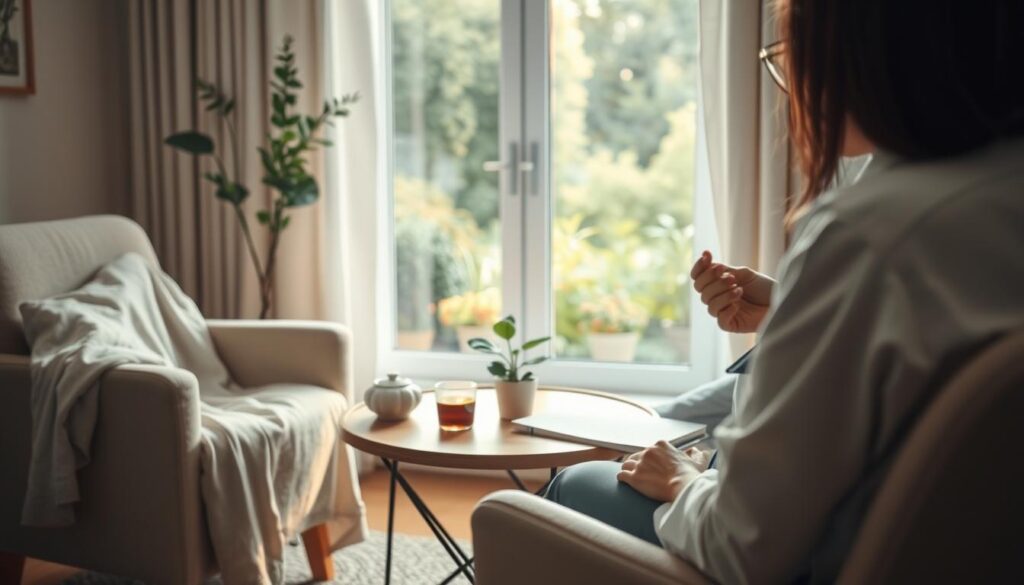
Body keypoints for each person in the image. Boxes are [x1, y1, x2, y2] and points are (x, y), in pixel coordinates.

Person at [544, 0, 1024, 583]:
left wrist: (680, 482)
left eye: (796, 53)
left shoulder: (868, 233)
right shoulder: (993, 190)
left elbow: (742, 546)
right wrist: (786, 304)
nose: (795, 80)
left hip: (822, 562)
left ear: (869, 55)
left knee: (573, 486)